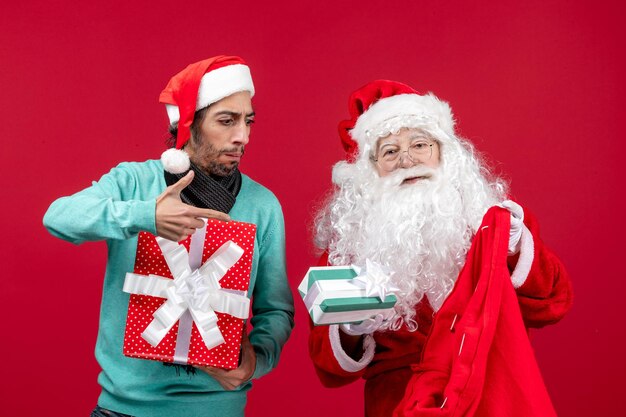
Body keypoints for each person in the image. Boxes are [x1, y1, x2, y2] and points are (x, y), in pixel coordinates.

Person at [44, 55, 294, 417]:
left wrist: (257, 360)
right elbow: (59, 217)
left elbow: (277, 310)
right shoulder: (134, 183)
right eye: (226, 121)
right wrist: (145, 215)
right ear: (189, 124)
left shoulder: (262, 205)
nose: (242, 136)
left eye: (248, 121)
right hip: (124, 409)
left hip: (217, 409)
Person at [308, 80, 573, 417]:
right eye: (390, 151)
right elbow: (328, 366)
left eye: (420, 145)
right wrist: (348, 327)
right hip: (398, 402)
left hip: (490, 392)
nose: (407, 160)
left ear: (444, 153)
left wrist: (515, 249)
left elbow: (553, 303)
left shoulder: (492, 219)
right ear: (370, 171)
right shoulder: (350, 245)